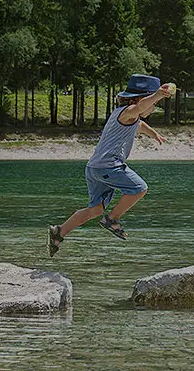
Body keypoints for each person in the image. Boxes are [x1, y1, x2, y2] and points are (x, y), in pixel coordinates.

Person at [47, 74, 174, 257]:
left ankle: (59, 232)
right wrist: (158, 95)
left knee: (95, 210)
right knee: (139, 188)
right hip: (109, 166)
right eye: (153, 104)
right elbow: (139, 109)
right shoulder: (130, 111)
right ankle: (112, 218)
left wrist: (154, 135)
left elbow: (140, 125)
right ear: (140, 99)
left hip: (94, 168)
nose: (153, 108)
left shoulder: (124, 115)